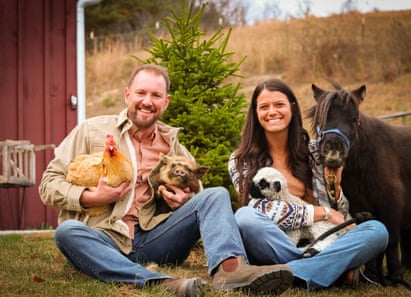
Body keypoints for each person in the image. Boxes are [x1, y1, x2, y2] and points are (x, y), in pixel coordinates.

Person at [39, 64, 294, 297]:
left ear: (166, 102)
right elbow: (48, 184)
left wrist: (184, 200)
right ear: (128, 95)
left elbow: (200, 195)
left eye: (156, 96)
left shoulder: (171, 144)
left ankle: (231, 270)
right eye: (141, 93)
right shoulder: (91, 130)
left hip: (156, 239)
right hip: (105, 237)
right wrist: (90, 197)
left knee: (215, 194)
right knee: (67, 232)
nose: (147, 102)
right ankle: (160, 282)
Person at [228, 78, 389, 290]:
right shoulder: (240, 160)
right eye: (264, 107)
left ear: (292, 108)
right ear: (256, 113)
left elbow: (340, 215)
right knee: (245, 217)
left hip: (324, 241)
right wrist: (320, 212)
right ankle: (326, 270)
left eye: (279, 105)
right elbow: (258, 209)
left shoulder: (315, 152)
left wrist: (336, 188)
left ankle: (289, 272)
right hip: (278, 243)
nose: (272, 112)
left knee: (377, 230)